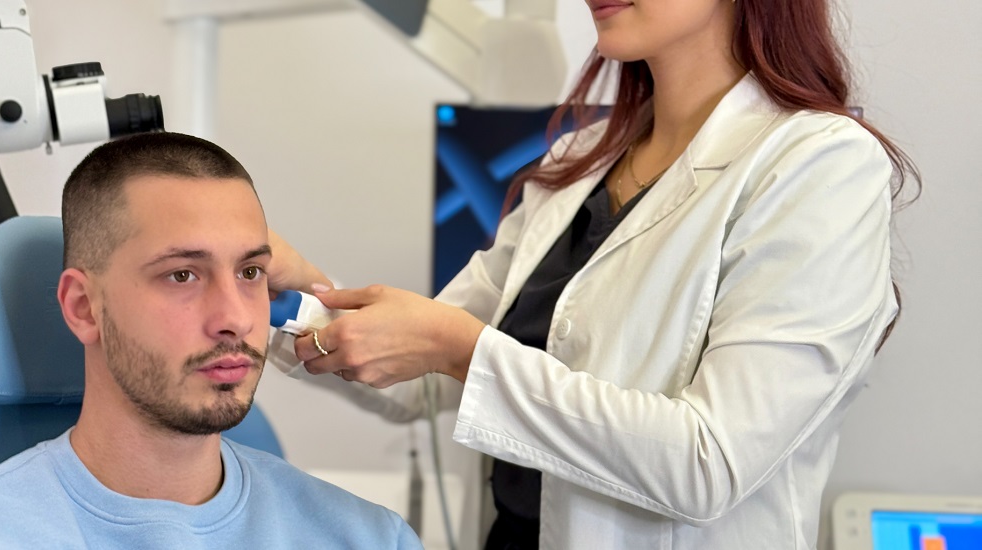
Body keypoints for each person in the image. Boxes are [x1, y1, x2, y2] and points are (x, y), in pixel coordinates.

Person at [264, 0, 920, 548]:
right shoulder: (580, 159)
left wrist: (458, 349)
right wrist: (281, 293)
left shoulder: (820, 164)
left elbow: (710, 463)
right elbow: (420, 381)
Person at [0, 132, 421, 549]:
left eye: (250, 273)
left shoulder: (371, 538)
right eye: (182, 275)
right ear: (83, 307)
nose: (236, 318)